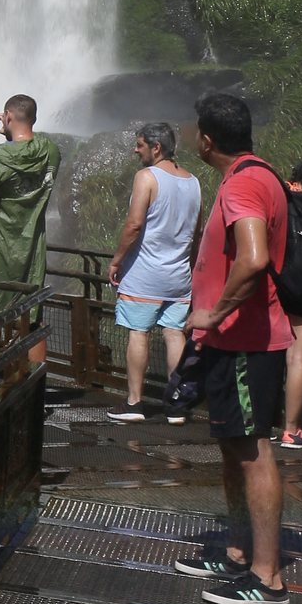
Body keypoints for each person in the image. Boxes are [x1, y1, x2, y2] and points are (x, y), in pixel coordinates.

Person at [173, 91, 292, 604]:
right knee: (234, 445)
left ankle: (267, 578)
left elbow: (254, 256)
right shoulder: (260, 174)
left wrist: (213, 312)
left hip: (245, 341)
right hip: (232, 341)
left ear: (206, 139)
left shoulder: (244, 184)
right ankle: (239, 552)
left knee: (253, 450)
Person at [106, 120, 201, 422]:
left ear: (156, 147)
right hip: (179, 277)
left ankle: (134, 404)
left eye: (140, 144)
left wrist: (116, 260)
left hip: (145, 275)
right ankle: (176, 407)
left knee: (139, 334)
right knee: (174, 335)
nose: (136, 150)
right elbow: (196, 234)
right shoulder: (194, 182)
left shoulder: (146, 177)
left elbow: (134, 225)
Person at [0, 95, 61, 309]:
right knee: (29, 317)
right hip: (32, 251)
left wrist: (4, 140)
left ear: (7, 116)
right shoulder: (51, 152)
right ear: (33, 118)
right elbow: (32, 145)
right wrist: (12, 131)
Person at [281, 161, 302, 450]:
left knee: (285, 357)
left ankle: (282, 428)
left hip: (278, 285)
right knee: (298, 358)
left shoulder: (283, 198)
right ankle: (292, 428)